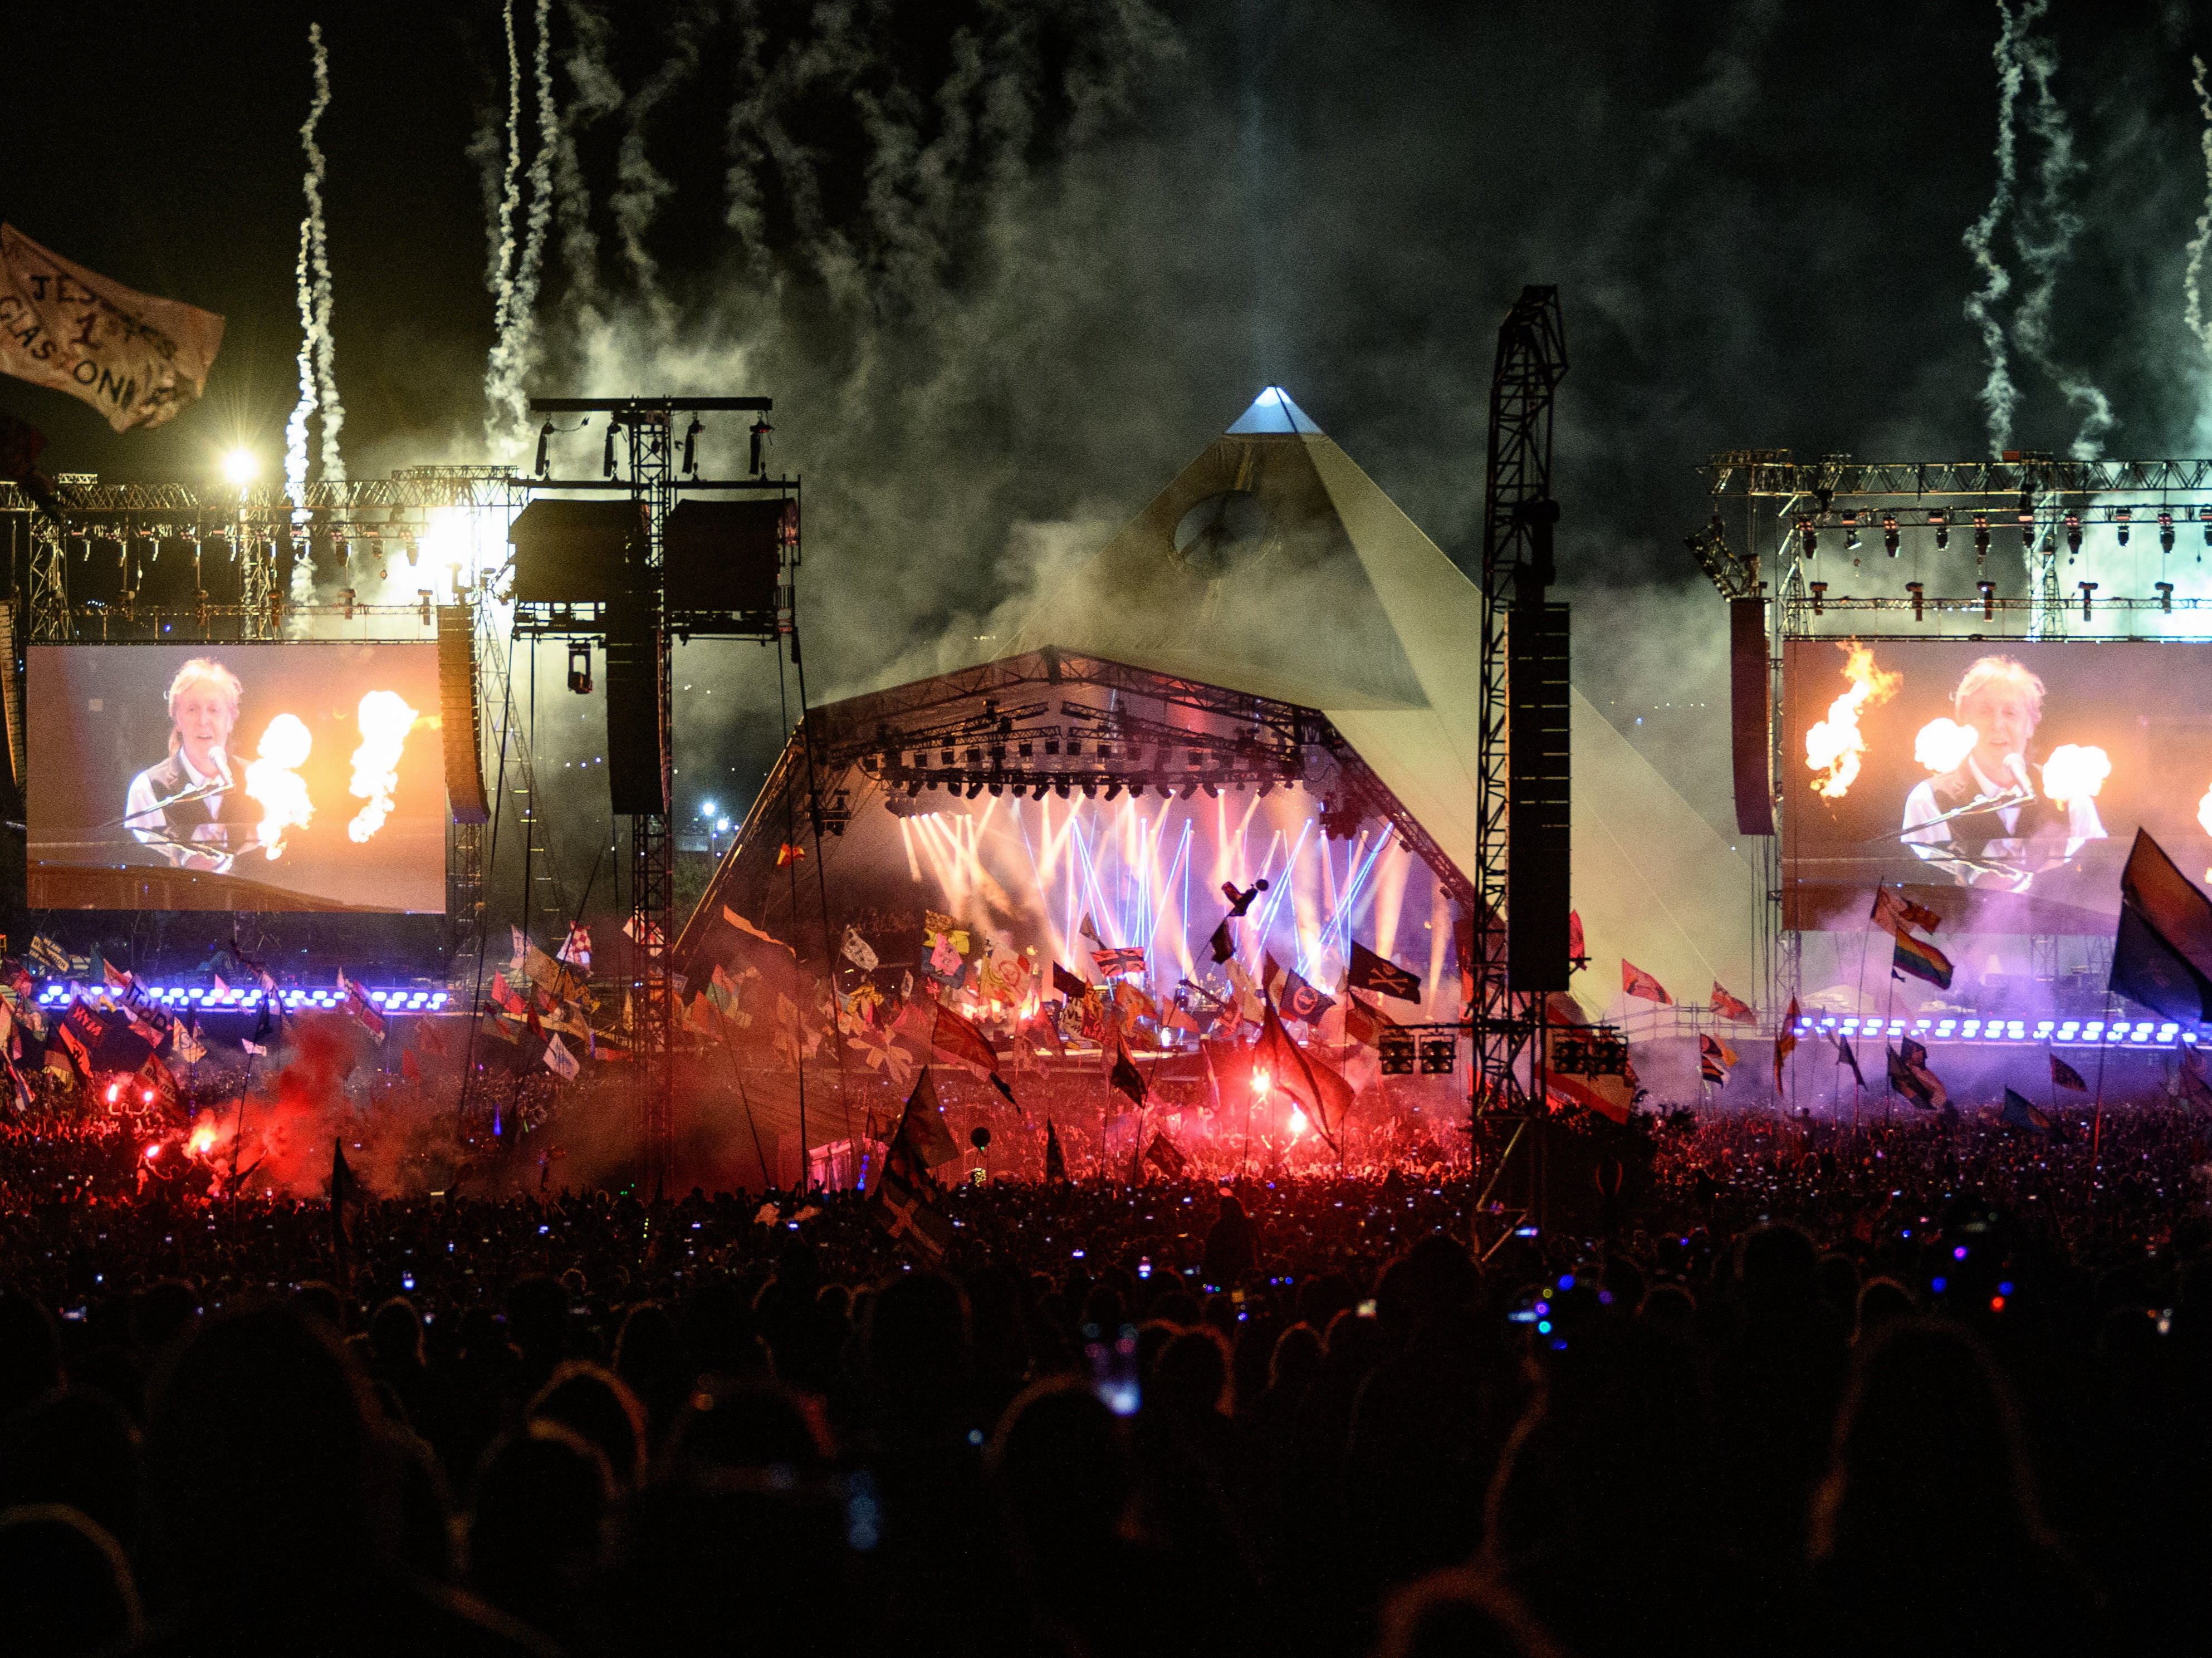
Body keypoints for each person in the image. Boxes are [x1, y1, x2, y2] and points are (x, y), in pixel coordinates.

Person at [1900, 655, 2104, 888]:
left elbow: (2097, 878)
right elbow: (1921, 896)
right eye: (1985, 712)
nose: (1997, 724)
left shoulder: (2068, 792)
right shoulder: (1929, 800)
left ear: (2030, 725)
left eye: (2010, 713)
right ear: (1965, 721)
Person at [124, 658, 260, 873]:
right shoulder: (148, 789)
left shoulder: (262, 782)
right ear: (177, 719)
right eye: (192, 709)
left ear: (231, 719)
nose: (203, 720)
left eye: (214, 710)